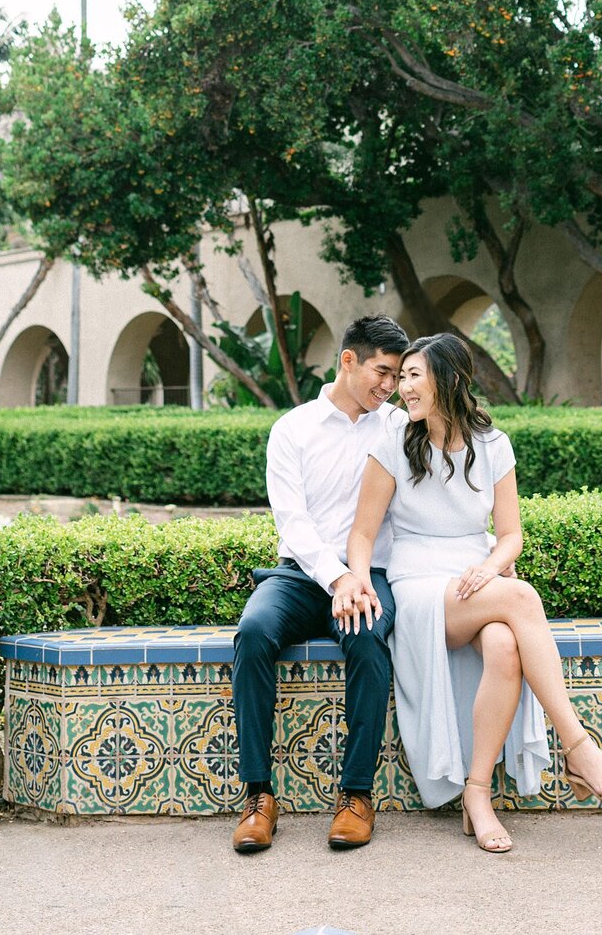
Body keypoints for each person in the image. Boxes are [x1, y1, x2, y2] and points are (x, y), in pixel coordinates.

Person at [340, 331, 602, 854]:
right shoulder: (391, 442)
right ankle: (579, 747)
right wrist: (359, 577)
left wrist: (490, 568)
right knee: (521, 597)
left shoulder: (494, 445)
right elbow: (362, 533)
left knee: (504, 644)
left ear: (448, 380)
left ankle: (477, 794)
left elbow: (511, 536)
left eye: (413, 376)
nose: (403, 388)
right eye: (401, 377)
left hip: (475, 575)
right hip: (419, 584)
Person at [230, 313, 410, 855]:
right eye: (382, 371)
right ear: (348, 360)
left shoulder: (397, 427)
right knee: (254, 634)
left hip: (369, 576)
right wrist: (335, 577)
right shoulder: (293, 428)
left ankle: (356, 796)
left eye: (397, 376)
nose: (389, 386)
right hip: (302, 575)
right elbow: (293, 520)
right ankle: (259, 797)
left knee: (368, 642)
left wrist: (356, 580)